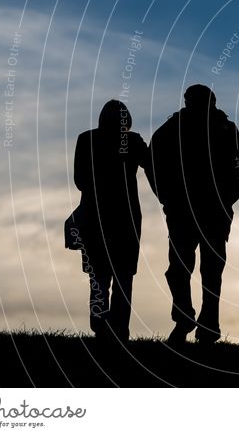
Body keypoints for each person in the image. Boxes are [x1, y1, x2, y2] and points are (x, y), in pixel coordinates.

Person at [146, 85, 239, 345]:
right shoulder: (173, 129)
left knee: (210, 271)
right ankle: (184, 320)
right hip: (183, 210)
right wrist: (167, 198)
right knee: (180, 269)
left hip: (213, 213)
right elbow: (153, 163)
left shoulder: (226, 130)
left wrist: (226, 197)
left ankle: (208, 326)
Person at [74, 100, 148, 343]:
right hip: (125, 217)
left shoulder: (87, 140)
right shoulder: (134, 142)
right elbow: (153, 165)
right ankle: (118, 330)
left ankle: (101, 325)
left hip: (96, 215)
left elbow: (80, 180)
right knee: (123, 277)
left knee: (99, 276)